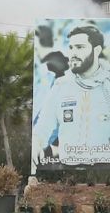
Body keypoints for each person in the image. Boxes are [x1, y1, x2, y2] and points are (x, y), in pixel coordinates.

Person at [35, 23, 110, 165]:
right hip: (68, 169)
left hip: (104, 169)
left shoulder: (107, 85)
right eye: (71, 48)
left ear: (97, 50)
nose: (73, 54)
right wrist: (36, 143)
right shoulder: (61, 85)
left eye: (80, 47)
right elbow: (43, 127)